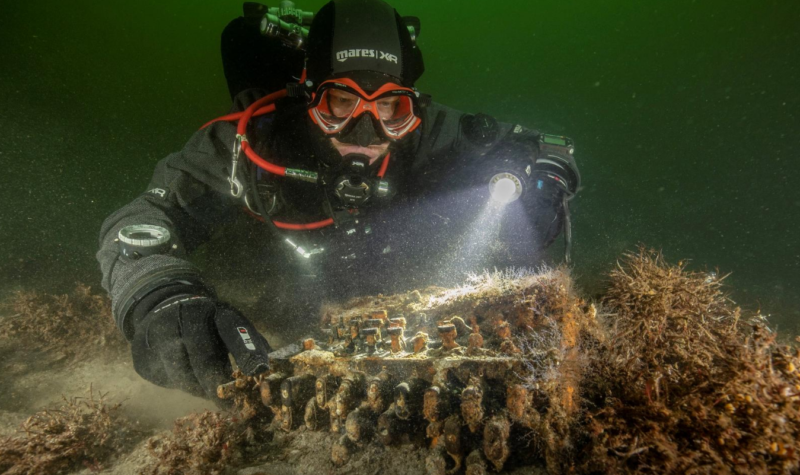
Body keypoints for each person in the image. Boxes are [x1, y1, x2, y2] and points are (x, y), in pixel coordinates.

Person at [96, 0, 580, 401]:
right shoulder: (252, 143)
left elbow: (547, 146)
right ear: (309, 97)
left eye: (390, 107)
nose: (366, 133)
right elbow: (144, 217)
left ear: (412, 108)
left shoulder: (431, 134)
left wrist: (544, 184)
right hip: (272, 273)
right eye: (341, 103)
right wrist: (160, 296)